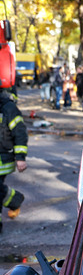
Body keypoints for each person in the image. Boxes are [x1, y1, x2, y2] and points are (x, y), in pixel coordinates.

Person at [0, 89, 28, 233]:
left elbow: (20, 133)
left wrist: (20, 157)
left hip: (2, 160)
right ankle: (14, 200)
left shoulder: (8, 108)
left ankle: (15, 200)